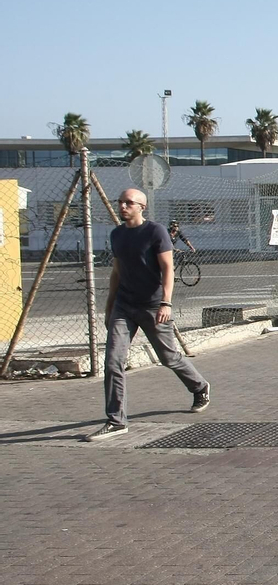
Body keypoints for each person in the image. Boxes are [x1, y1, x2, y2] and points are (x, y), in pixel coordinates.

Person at [84, 189, 211, 442]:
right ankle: (116, 420)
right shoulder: (117, 234)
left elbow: (167, 269)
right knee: (113, 362)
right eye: (119, 202)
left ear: (141, 207)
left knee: (169, 358)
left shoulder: (156, 232)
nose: (122, 206)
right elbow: (116, 273)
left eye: (128, 203)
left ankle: (200, 387)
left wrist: (166, 303)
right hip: (124, 305)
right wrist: (110, 306)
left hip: (153, 306)